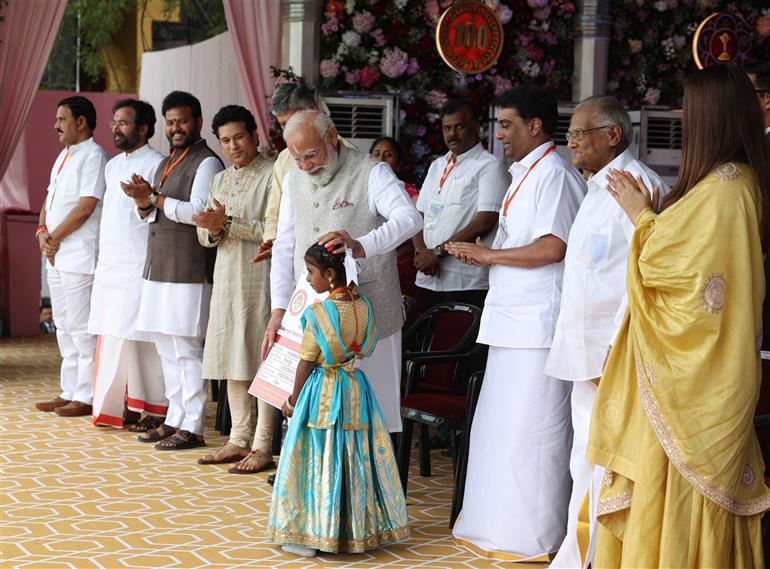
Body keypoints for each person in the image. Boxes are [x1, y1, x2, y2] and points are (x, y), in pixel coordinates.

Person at [587, 64, 770, 569]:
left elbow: (675, 268)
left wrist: (639, 215)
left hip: (693, 378)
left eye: (690, 114)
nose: (684, 123)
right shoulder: (730, 182)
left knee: (681, 482)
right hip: (690, 372)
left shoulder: (727, 187)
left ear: (710, 118)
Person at [446, 86, 585, 561]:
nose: (499, 133)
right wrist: (485, 254)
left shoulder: (557, 174)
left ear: (536, 126)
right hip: (511, 321)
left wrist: (489, 254)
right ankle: (495, 525)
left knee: (534, 435)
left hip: (538, 324)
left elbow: (554, 246)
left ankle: (533, 535)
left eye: (506, 124)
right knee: (501, 430)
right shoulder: (526, 172)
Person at [545, 96, 669, 569]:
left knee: (601, 461)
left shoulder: (637, 188)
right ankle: (586, 553)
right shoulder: (599, 187)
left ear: (612, 135)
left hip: (608, 357)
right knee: (584, 457)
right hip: (584, 351)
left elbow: (639, 281)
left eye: (579, 133)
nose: (570, 142)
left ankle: (588, 558)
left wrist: (618, 355)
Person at [265, 110, 422, 440]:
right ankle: (317, 479)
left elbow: (410, 218)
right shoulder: (294, 180)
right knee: (310, 408)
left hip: (370, 314)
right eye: (297, 158)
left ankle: (372, 485)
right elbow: (284, 244)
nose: (306, 166)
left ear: (332, 137)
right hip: (310, 310)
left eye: (312, 154)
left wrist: (362, 245)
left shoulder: (371, 172)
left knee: (372, 413)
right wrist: (278, 307)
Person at [267, 244, 410, 557]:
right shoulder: (366, 307)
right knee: (356, 455)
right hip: (357, 387)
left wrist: (293, 399)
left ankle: (311, 534)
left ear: (330, 274)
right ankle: (355, 529)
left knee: (318, 456)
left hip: (323, 390)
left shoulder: (319, 313)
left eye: (311, 272)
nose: (308, 278)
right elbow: (367, 346)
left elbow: (306, 362)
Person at [121, 90, 224, 450]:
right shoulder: (170, 160)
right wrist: (142, 203)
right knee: (166, 347)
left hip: (189, 268)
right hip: (160, 266)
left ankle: (193, 426)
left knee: (185, 348)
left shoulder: (207, 161)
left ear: (197, 121)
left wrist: (155, 199)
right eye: (170, 122)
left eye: (182, 121)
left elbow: (198, 211)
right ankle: (175, 418)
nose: (176, 128)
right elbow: (156, 211)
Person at [193, 105, 276, 473]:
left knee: (261, 359)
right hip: (227, 277)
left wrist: (227, 223)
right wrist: (213, 227)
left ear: (255, 135)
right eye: (225, 140)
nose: (233, 146)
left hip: (260, 276)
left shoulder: (274, 174)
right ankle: (238, 439)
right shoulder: (220, 180)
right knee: (232, 356)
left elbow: (273, 230)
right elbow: (203, 233)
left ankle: (263, 444)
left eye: (239, 137)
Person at [88, 99, 168, 430]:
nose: (116, 129)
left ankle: (156, 409)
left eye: (123, 123)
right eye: (114, 123)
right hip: (110, 263)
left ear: (144, 128)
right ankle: (122, 405)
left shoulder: (158, 163)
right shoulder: (111, 166)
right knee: (113, 332)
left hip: (140, 263)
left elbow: (156, 214)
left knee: (143, 339)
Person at [35, 96, 108, 417]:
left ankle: (88, 395)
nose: (55, 126)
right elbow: (48, 203)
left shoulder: (94, 156)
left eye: (62, 119)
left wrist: (54, 238)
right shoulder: (64, 155)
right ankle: (70, 390)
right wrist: (41, 232)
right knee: (63, 326)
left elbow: (85, 207)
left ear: (81, 122)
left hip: (79, 255)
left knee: (81, 327)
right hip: (57, 254)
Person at [413, 98, 509, 311]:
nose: (452, 134)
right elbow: (418, 215)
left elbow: (485, 221)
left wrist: (436, 253)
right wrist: (421, 252)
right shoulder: (437, 165)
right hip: (429, 277)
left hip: (466, 282)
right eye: (447, 128)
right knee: (429, 343)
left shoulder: (489, 166)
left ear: (476, 127)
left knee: (459, 344)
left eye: (460, 126)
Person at [255, 82, 358, 259]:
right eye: (283, 125)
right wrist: (273, 242)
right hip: (297, 262)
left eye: (294, 120)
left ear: (314, 109)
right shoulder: (284, 159)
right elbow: (274, 212)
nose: (289, 130)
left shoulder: (349, 155)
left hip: (338, 260)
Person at [369, 136, 419, 300]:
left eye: (388, 154)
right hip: (371, 262)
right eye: (376, 154)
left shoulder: (409, 192)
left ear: (398, 163)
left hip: (401, 263)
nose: (381, 159)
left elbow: (414, 229)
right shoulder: (364, 190)